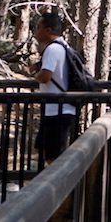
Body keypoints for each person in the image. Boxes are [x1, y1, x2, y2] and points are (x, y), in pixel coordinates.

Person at [33, 11, 80, 165]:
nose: (36, 31)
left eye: (38, 27)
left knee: (54, 157)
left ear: (48, 30)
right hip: (60, 108)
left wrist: (35, 74)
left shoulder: (53, 49)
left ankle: (60, 186)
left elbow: (46, 76)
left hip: (57, 109)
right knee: (46, 149)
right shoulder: (63, 46)